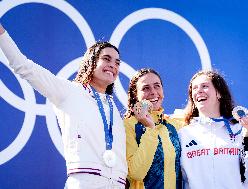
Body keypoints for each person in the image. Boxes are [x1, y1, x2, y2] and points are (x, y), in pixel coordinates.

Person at [0, 24, 127, 189]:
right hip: (86, 182)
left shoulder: (114, 109)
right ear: (91, 61)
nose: (113, 65)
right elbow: (24, 66)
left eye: (117, 62)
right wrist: (2, 34)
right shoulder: (69, 92)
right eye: (106, 59)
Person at [178, 70, 248, 189]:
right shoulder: (183, 134)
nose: (199, 90)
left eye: (205, 86)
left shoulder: (242, 130)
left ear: (219, 93)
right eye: (194, 88)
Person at [123, 68, 183, 189]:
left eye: (157, 86)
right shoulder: (128, 125)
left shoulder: (175, 125)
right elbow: (136, 173)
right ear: (135, 94)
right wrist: (150, 129)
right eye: (146, 88)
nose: (153, 92)